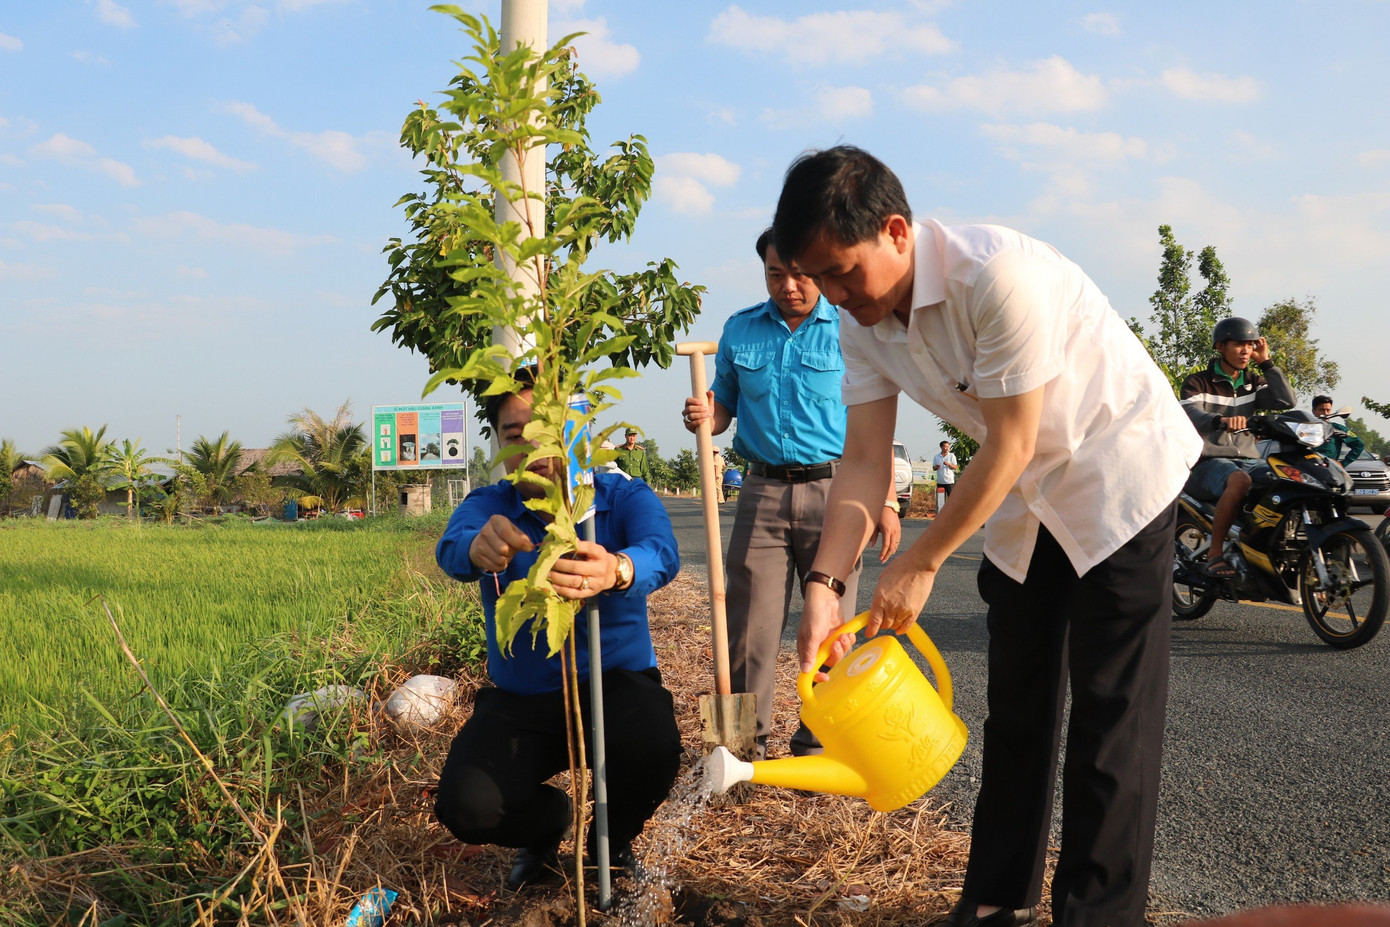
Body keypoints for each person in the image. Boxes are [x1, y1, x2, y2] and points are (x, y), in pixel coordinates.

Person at [772, 145, 1201, 927]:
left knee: (1110, 714)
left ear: (896, 232)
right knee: (1018, 702)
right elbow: (864, 460)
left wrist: (920, 560)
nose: (833, 294)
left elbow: (1008, 441)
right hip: (1027, 496)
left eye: (841, 272)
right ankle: (995, 900)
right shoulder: (861, 321)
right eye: (818, 278)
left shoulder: (997, 276)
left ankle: (1098, 916)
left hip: (1117, 470)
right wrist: (825, 587)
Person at [433, 383, 682, 889]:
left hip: (616, 685)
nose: (534, 449)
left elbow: (662, 550)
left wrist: (619, 568)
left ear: (576, 431)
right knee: (467, 805)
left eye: (547, 431)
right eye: (514, 435)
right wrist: (476, 549)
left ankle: (609, 844)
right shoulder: (491, 506)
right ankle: (547, 825)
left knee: (654, 744)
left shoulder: (621, 497)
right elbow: (453, 547)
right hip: (524, 701)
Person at [681, 226, 901, 759]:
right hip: (762, 491)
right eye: (776, 274)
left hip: (839, 490)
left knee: (833, 627)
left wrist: (888, 501)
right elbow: (726, 405)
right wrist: (708, 417)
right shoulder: (740, 330)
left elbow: (874, 431)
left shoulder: (852, 329)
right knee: (746, 628)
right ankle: (735, 747)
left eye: (800, 273)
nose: (789, 286)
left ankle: (821, 744)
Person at [1179, 318, 1295, 578]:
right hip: (1207, 462)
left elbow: (1286, 400)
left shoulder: (1253, 382)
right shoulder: (1198, 383)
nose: (1245, 351)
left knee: (1290, 480)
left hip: (1249, 459)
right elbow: (1191, 413)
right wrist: (1219, 420)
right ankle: (1215, 553)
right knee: (1239, 480)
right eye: (1238, 344)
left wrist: (1266, 362)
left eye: (1250, 345)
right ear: (1220, 346)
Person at [1311, 394, 1365, 465]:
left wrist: (1343, 464)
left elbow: (1359, 445)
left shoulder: (1337, 428)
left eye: (1328, 410)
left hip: (1329, 470)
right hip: (1307, 469)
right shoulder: (1304, 428)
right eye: (1322, 410)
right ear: (1313, 411)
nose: (1326, 413)